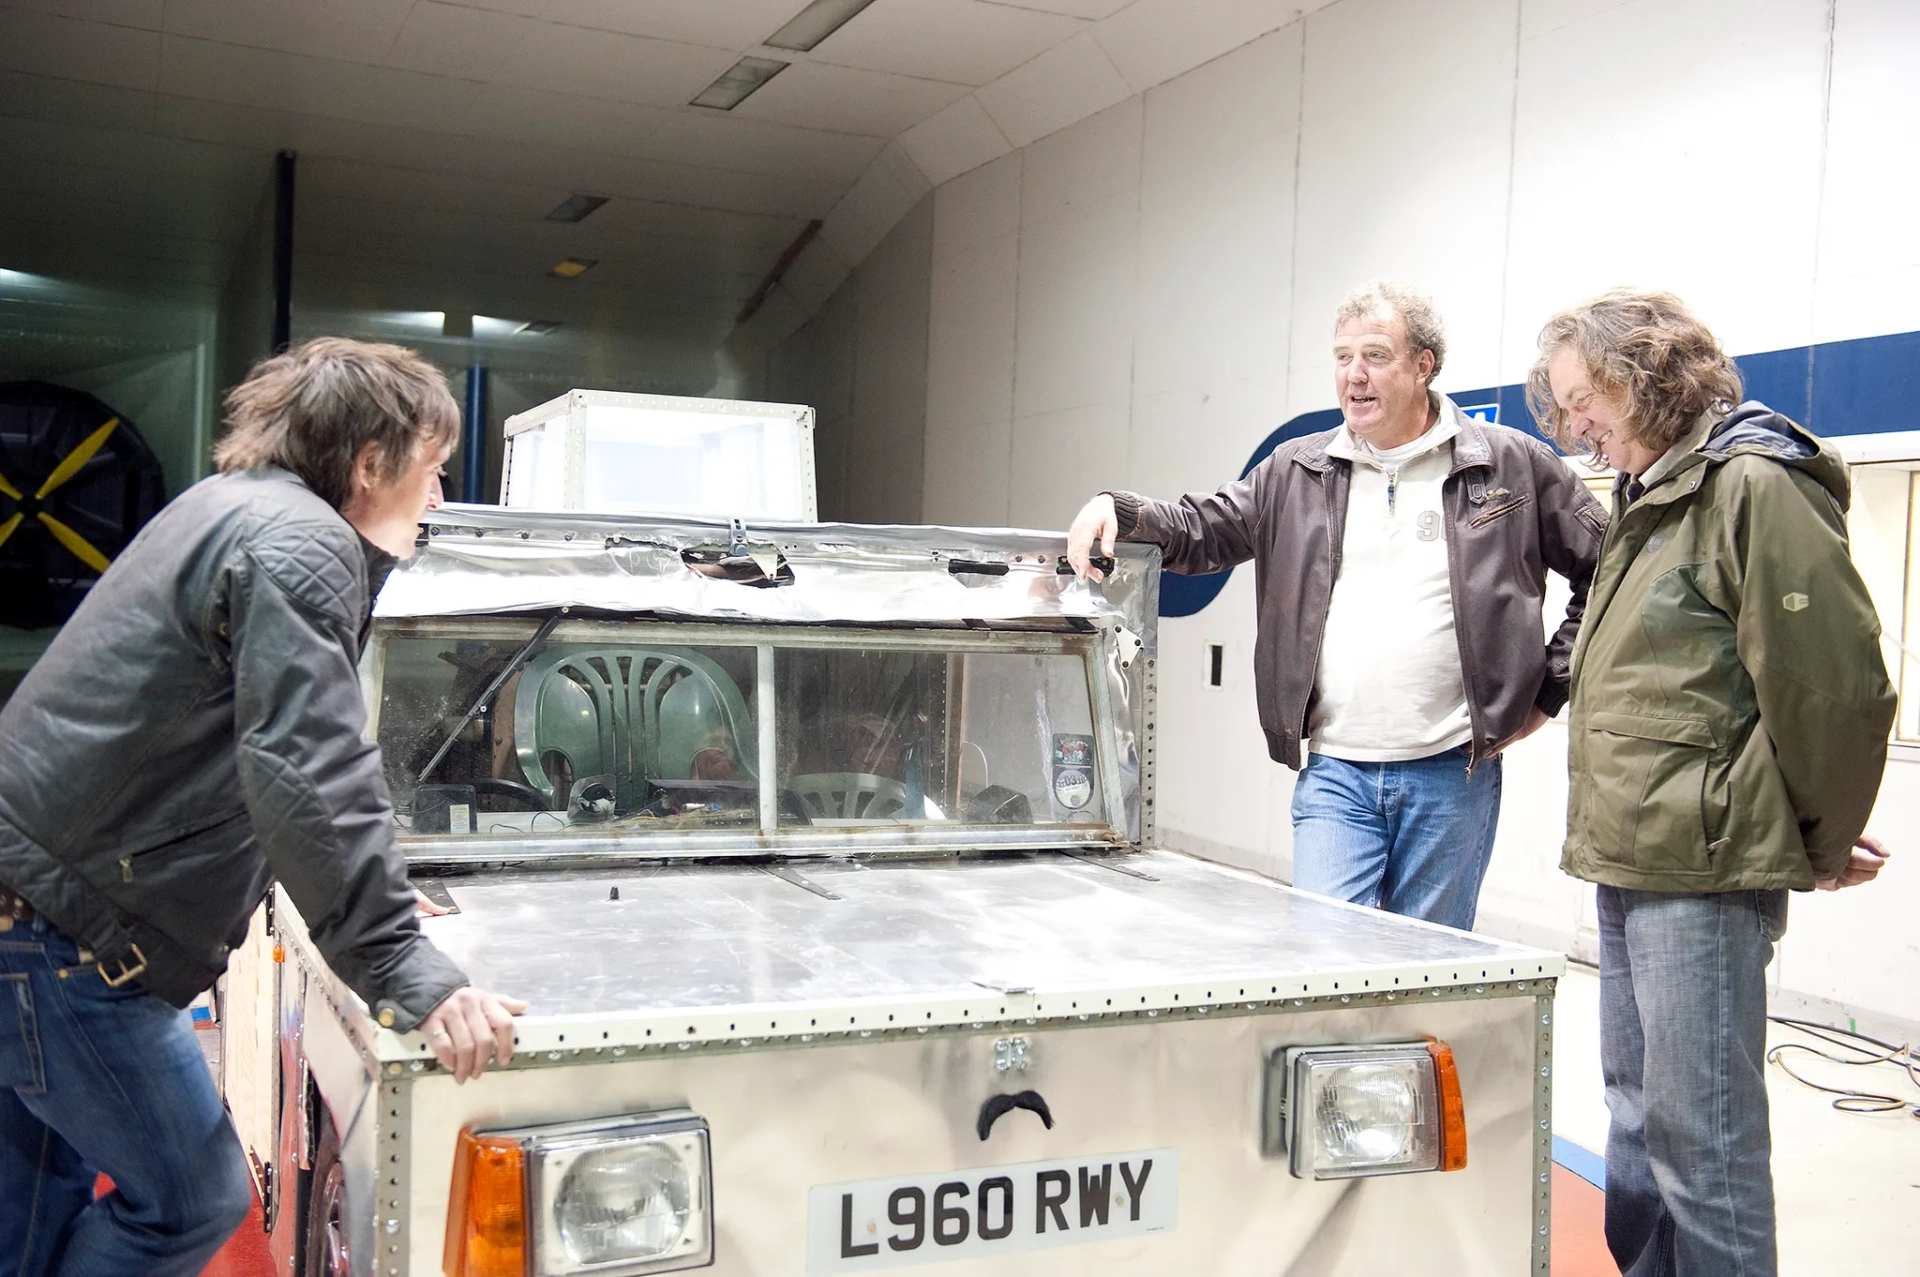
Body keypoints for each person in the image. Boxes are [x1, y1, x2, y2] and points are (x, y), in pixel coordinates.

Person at [0, 337, 527, 1276]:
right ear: (370, 465)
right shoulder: (305, 544)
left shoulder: (227, 508)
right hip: (67, 940)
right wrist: (404, 963)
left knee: (37, 1201)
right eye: (434, 471)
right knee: (193, 1200)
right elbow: (306, 764)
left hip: (28, 909)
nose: (439, 498)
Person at [1530, 289, 1896, 1277]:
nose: (1576, 425)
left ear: (1641, 370)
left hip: (1700, 876)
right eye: (1563, 409)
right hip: (1631, 858)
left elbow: (1834, 684)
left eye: (1581, 398)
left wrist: (1816, 840)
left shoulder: (1752, 483)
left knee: (1705, 1154)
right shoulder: (1648, 495)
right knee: (1641, 1136)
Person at [1067, 282, 1606, 929]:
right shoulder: (1296, 471)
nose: (1354, 375)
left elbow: (1609, 567)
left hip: (1452, 775)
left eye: (1376, 355)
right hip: (1336, 773)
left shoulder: (1511, 466)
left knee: (1424, 971)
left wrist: (1549, 692)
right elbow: (1201, 529)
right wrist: (1121, 510)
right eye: (1342, 356)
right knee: (1324, 956)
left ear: (1423, 365)